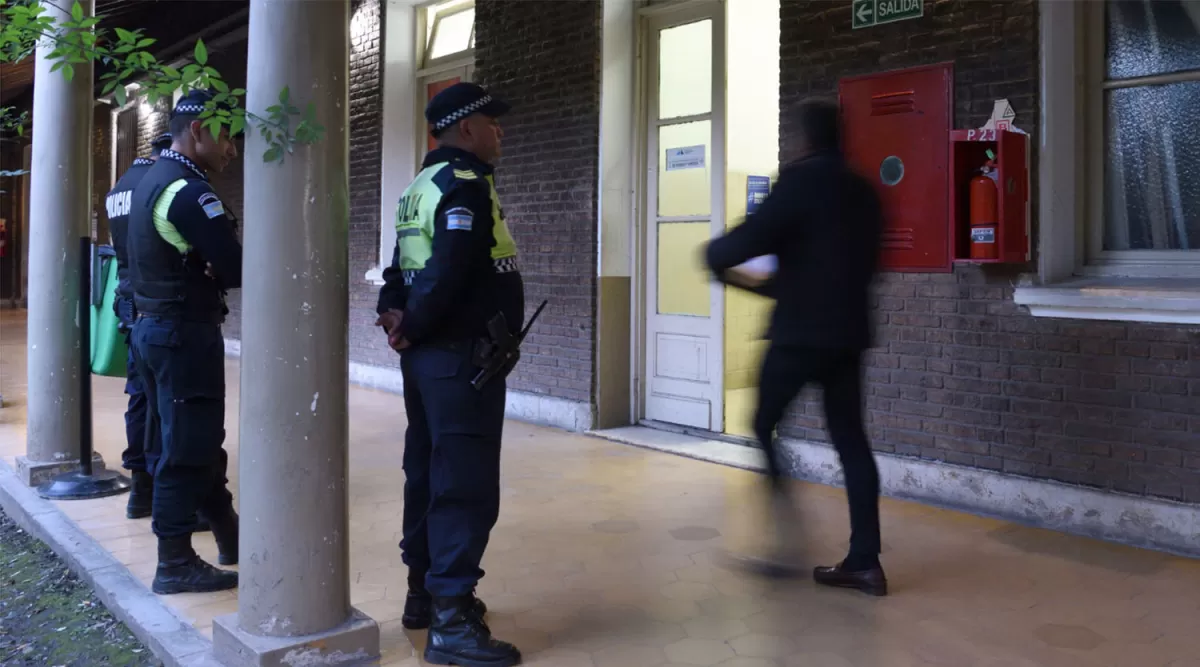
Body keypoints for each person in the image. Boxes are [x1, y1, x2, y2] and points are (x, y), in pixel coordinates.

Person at [704, 98, 888, 596]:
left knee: (763, 424)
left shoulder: (798, 184)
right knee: (851, 442)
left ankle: (786, 546)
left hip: (797, 337)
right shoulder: (865, 191)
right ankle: (865, 561)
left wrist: (717, 258)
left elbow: (734, 247)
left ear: (804, 139)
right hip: (848, 336)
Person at [375, 81, 524, 666]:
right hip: (461, 358)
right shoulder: (463, 185)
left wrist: (395, 316)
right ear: (466, 128)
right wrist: (413, 322)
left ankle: (424, 595)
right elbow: (450, 268)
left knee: (427, 471)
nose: (499, 131)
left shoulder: (419, 186)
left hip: (431, 361)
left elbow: (398, 267)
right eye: (492, 121)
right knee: (463, 484)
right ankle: (453, 622)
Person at [126, 90, 242, 595]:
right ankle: (174, 562)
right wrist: (216, 261)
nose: (233, 149)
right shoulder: (189, 190)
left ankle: (231, 537)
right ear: (197, 131)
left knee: (192, 440)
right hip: (182, 333)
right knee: (187, 448)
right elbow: (235, 266)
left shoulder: (150, 179)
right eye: (227, 136)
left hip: (153, 329)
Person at [107, 133, 211, 536]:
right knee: (171, 407)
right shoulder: (158, 185)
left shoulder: (119, 187)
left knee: (141, 397)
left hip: (130, 300)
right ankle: (173, 503)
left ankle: (140, 490)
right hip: (159, 302)